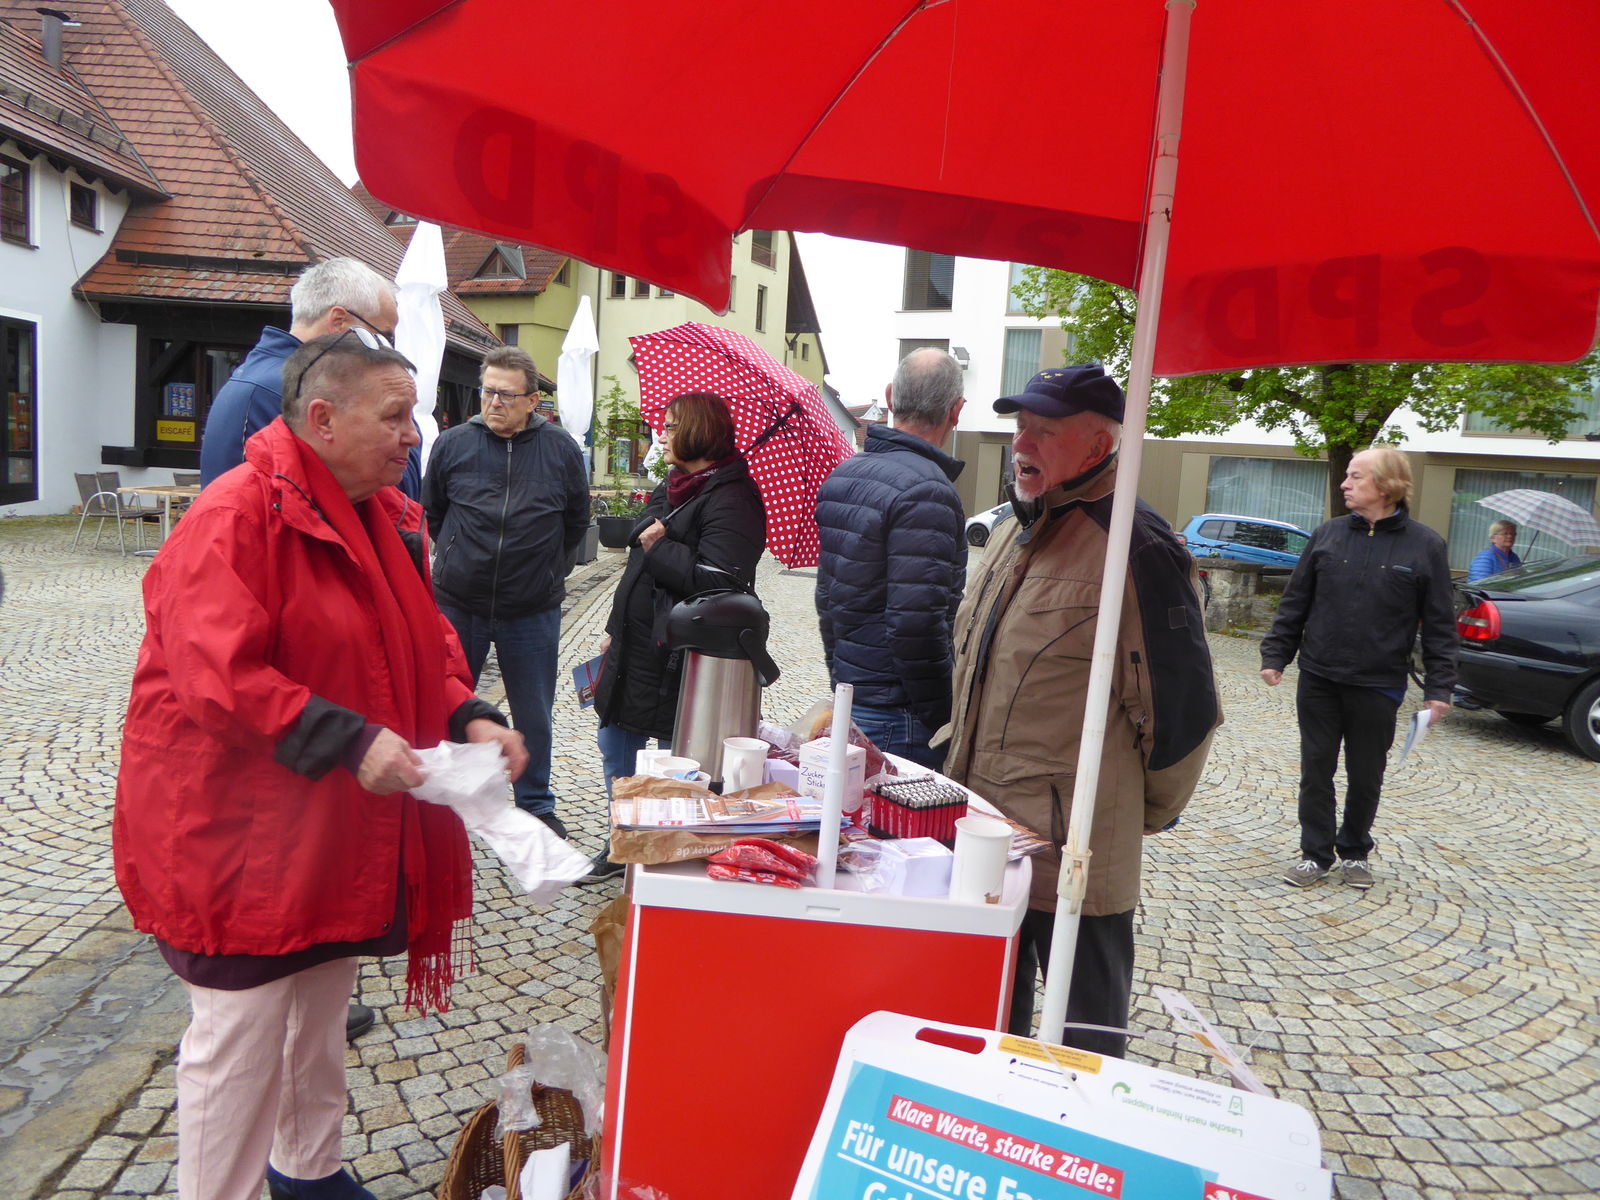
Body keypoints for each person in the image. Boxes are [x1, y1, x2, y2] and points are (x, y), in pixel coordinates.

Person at [114, 331, 527, 1200]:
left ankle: (308, 1173)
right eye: (396, 416)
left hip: (327, 824)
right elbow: (216, 676)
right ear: (323, 419)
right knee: (240, 1038)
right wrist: (345, 739)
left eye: (412, 415)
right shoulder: (234, 515)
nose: (415, 435)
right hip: (236, 833)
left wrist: (469, 711)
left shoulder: (383, 518)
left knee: (320, 1004)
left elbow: (424, 645)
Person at [939, 365, 1219, 1055]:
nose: (1023, 444)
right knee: (985, 1026)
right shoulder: (1014, 528)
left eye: (1047, 431)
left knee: (1082, 1053)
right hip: (986, 837)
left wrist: (1128, 815)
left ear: (1098, 448)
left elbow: (1183, 715)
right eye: (1020, 427)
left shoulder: (1137, 545)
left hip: (1077, 852)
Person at [583, 392, 766, 882]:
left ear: (697, 432)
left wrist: (660, 545)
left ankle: (668, 854)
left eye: (668, 426)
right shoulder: (677, 483)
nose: (659, 434)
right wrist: (612, 629)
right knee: (615, 745)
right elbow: (638, 558)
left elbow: (720, 581)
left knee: (677, 759)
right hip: (634, 643)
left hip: (683, 656)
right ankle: (623, 838)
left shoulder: (735, 498)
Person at [1261, 446, 1457, 890]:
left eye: (1356, 477)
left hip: (1379, 682)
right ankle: (1315, 854)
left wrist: (1439, 688)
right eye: (1347, 475)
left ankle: (1354, 851)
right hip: (1320, 677)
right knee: (1316, 768)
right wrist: (1276, 655)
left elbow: (1442, 624)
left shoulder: (1426, 545)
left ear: (1386, 486)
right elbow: (1296, 601)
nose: (1345, 484)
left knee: (1367, 773)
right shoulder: (1327, 535)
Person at [422, 346, 589, 837]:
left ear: (533, 400)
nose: (493, 402)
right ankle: (449, 798)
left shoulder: (560, 450)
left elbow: (575, 522)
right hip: (458, 603)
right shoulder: (453, 444)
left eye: (506, 394)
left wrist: (542, 569)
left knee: (532, 711)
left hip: (531, 608)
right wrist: (458, 554)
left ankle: (535, 803)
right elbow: (435, 514)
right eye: (487, 392)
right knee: (450, 704)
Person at [814, 348, 966, 769]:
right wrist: (941, 718)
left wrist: (842, 681)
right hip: (902, 716)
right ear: (957, 411)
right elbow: (916, 621)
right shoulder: (929, 491)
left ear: (890, 396)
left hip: (856, 698)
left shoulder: (845, 474)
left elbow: (827, 598)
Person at [200, 257, 423, 499]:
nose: (385, 350)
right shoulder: (292, 389)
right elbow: (394, 497)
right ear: (338, 322)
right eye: (381, 337)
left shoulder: (266, 378)